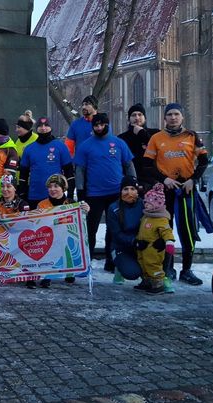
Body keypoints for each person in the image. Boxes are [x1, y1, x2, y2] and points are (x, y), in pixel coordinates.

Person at [143, 102, 208, 285]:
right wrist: (164, 179)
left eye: (176, 114)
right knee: (165, 229)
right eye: (170, 114)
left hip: (186, 189)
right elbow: (146, 165)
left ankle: (187, 270)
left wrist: (193, 180)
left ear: (182, 117)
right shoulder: (156, 138)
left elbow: (203, 161)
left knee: (188, 230)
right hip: (165, 191)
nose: (173, 117)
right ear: (164, 117)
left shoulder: (192, 136)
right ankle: (167, 268)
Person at [74, 113, 135, 271]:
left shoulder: (119, 143)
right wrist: (80, 191)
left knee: (113, 228)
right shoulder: (85, 146)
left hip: (116, 193)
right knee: (90, 229)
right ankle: (86, 260)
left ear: (108, 124)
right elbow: (80, 170)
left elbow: (128, 165)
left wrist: (133, 183)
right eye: (96, 125)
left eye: (102, 124)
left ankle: (111, 260)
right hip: (94, 194)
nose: (99, 127)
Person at [36, 174, 90, 288]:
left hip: (66, 236)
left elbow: (79, 221)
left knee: (70, 242)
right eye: (50, 187)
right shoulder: (42, 204)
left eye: (56, 186)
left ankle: (70, 271)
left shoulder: (71, 204)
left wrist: (85, 210)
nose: (52, 189)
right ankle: (47, 275)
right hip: (48, 236)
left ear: (63, 188)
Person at [19, 117, 74, 208]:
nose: (43, 128)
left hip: (56, 196)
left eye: (46, 125)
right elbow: (23, 176)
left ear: (51, 127)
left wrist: (70, 194)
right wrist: (22, 194)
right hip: (34, 196)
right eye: (40, 126)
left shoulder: (61, 146)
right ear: (36, 128)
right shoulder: (29, 149)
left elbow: (69, 173)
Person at [135, 183, 175, 295]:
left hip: (153, 249)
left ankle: (158, 283)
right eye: (145, 202)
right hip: (143, 247)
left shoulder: (161, 219)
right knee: (143, 264)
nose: (145, 205)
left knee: (153, 265)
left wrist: (169, 242)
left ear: (156, 204)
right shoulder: (146, 216)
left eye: (149, 203)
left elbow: (167, 231)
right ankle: (147, 281)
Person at [106, 176, 145, 285]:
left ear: (137, 191)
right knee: (132, 273)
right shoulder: (114, 208)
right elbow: (116, 234)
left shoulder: (145, 204)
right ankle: (119, 268)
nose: (129, 192)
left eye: (132, 189)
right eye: (125, 189)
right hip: (121, 247)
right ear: (121, 191)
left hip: (142, 244)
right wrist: (133, 241)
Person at [117, 104, 159, 192]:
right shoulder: (121, 138)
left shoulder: (155, 134)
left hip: (153, 181)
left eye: (140, 114)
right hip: (130, 183)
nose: (137, 118)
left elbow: (158, 150)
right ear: (129, 119)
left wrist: (142, 133)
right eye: (133, 115)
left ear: (145, 118)